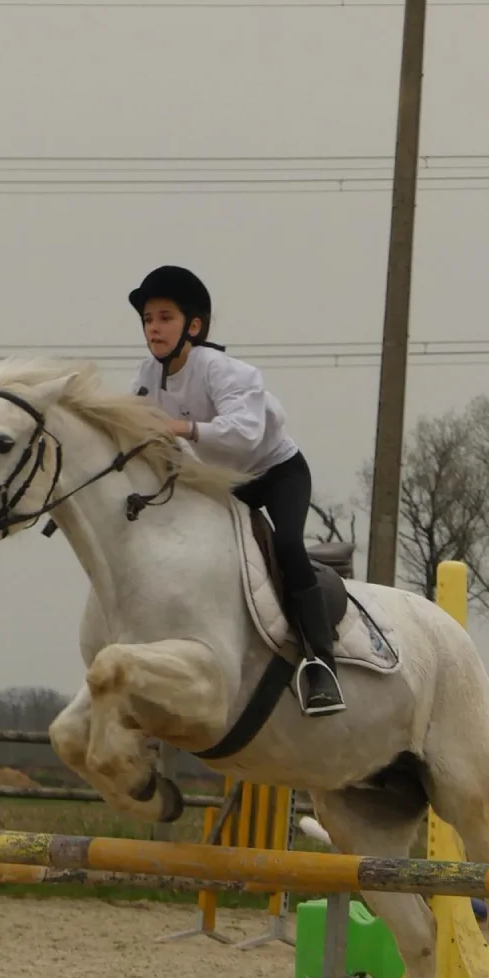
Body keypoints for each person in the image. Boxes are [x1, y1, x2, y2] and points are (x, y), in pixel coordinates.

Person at [127, 265, 345, 717]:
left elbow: (244, 434)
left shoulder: (224, 370)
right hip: (223, 484)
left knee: (285, 545)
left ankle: (322, 663)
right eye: (148, 319)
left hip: (276, 471)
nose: (153, 328)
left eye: (164, 317)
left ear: (194, 326)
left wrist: (180, 427)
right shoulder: (147, 376)